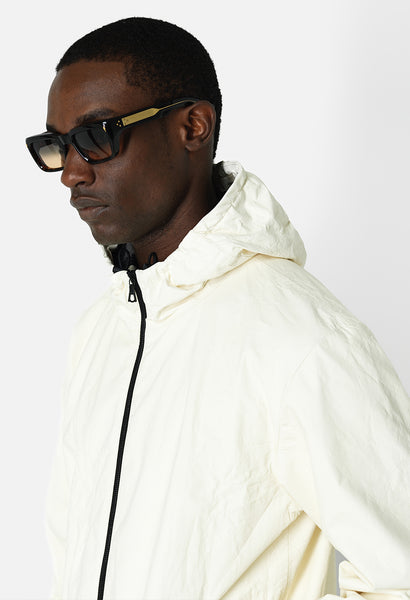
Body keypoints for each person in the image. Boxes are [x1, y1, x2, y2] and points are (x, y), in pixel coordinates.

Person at [26, 17, 410, 600]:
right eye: (56, 146)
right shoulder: (102, 330)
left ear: (192, 127)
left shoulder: (306, 340)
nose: (73, 173)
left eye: (97, 135)